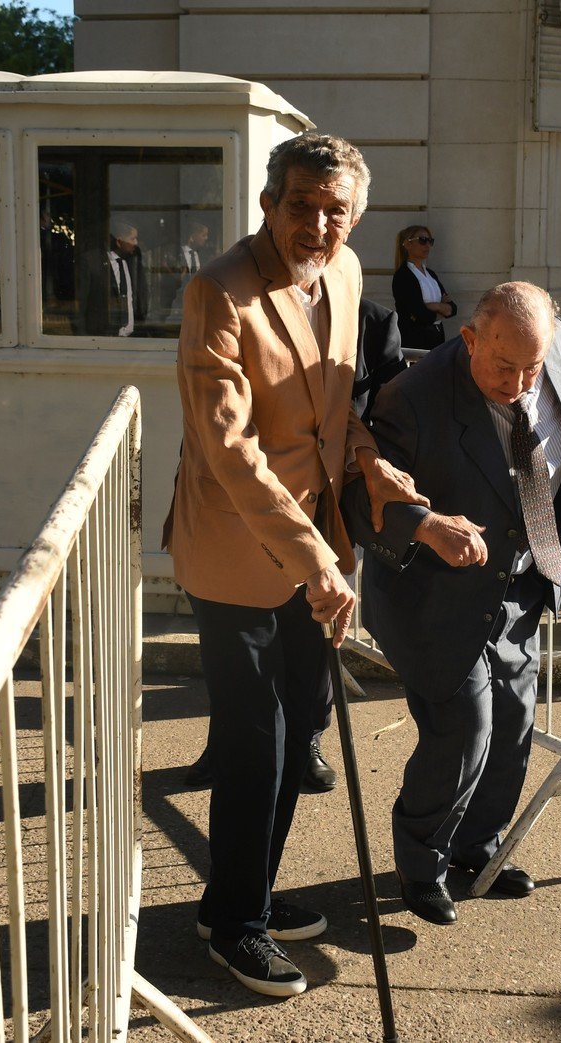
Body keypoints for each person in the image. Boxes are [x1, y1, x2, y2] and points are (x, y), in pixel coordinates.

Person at [162, 133, 426, 999]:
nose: (317, 224)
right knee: (257, 746)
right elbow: (230, 450)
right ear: (269, 203)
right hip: (236, 550)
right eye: (302, 205)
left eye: (335, 210)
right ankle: (236, 928)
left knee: (299, 725)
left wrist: (370, 460)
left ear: (357, 215)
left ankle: (243, 897)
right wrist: (313, 556)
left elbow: (332, 409)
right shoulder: (219, 294)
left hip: (316, 552)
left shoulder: (346, 276)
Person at [343, 282, 561, 926]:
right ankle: (420, 861)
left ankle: (478, 850)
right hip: (434, 595)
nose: (521, 382)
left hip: (523, 574)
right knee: (465, 728)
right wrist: (427, 524)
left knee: (514, 725)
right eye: (503, 366)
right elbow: (362, 501)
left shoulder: (543, 348)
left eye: (532, 366)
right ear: (469, 339)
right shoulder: (409, 400)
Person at [181, 295, 407, 794]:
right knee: (234, 650)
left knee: (313, 642)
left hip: (321, 503)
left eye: (336, 214)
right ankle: (227, 744)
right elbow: (225, 427)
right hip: (236, 505)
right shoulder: (230, 299)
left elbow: (382, 407)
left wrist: (366, 458)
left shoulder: (368, 314)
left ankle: (307, 741)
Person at [391, 224, 455, 350]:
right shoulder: (403, 276)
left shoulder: (431, 274)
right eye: (422, 240)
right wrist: (441, 310)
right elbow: (419, 314)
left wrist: (434, 306)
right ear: (407, 244)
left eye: (430, 241)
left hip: (436, 338)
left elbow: (453, 308)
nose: (427, 245)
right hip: (415, 340)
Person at [84, 217, 148, 336]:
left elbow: (140, 295)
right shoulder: (95, 263)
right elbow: (86, 303)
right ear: (119, 242)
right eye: (132, 238)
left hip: (134, 337)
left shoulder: (134, 261)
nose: (136, 243)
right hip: (106, 338)